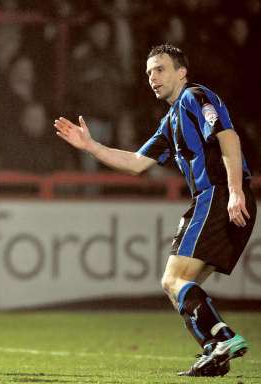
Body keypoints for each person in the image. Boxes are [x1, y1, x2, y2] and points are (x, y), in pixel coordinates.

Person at [54, 43, 256, 377]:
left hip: (219, 195)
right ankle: (214, 351)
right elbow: (135, 163)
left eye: (160, 69)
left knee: (173, 279)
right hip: (218, 198)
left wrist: (235, 191)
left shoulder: (195, 96)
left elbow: (228, 137)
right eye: (148, 72)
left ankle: (222, 338)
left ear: (182, 72)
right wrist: (90, 146)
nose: (152, 77)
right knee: (176, 285)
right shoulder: (170, 121)